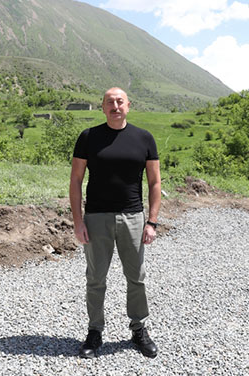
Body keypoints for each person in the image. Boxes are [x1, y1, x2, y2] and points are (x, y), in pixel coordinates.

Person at [69, 87, 161, 359]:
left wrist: (152, 222)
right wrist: (78, 222)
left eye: (120, 101)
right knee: (96, 278)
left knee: (137, 278)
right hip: (96, 218)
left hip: (133, 217)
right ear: (103, 107)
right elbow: (75, 180)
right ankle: (94, 331)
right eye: (110, 102)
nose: (115, 106)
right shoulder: (88, 137)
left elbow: (155, 182)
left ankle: (138, 329)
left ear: (128, 105)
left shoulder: (144, 138)